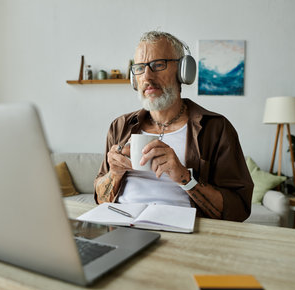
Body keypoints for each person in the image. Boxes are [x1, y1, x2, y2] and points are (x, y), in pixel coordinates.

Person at [94, 31, 253, 221]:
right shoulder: (120, 126)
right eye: (139, 68)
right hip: (122, 227)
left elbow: (238, 209)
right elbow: (101, 199)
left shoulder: (217, 129)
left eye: (158, 64)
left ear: (183, 71)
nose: (147, 76)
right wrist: (114, 173)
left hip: (183, 233)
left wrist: (184, 177)